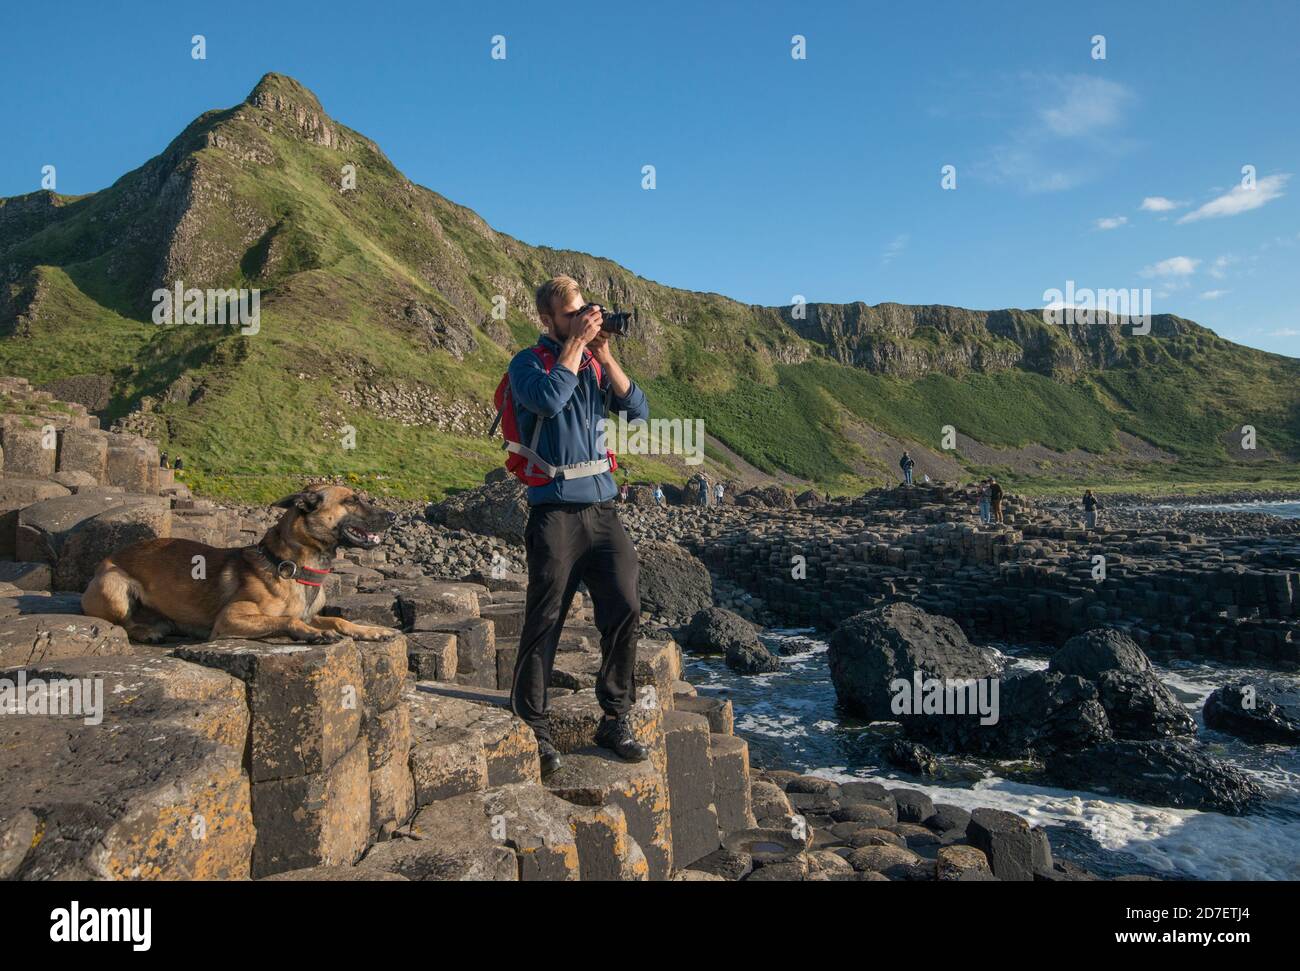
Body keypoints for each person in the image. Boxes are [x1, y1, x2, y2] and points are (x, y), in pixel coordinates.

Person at [507, 276, 651, 775]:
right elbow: (546, 401)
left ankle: (615, 717)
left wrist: (604, 354)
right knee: (546, 618)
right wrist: (575, 345)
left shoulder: (591, 361)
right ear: (548, 320)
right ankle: (534, 726)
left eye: (586, 312)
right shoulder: (528, 363)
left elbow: (638, 411)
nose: (584, 320)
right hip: (554, 511)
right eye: (573, 315)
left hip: (603, 509)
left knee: (626, 605)